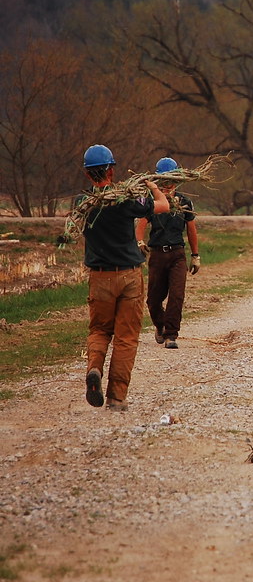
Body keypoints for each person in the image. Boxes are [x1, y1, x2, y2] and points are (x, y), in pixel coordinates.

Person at [80, 144, 169, 411]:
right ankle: (116, 398)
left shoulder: (82, 205)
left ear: (87, 175)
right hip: (129, 276)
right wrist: (151, 185)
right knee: (126, 337)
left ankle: (95, 368)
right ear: (111, 169)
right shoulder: (124, 201)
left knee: (98, 330)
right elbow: (163, 205)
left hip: (99, 277)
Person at [135, 157, 200, 350]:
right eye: (163, 180)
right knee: (153, 299)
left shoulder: (185, 202)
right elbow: (141, 223)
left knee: (177, 295)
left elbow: (191, 230)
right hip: (157, 255)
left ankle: (171, 335)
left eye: (171, 179)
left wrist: (195, 255)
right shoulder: (150, 201)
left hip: (177, 254)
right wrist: (139, 241)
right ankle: (160, 325)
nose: (168, 183)